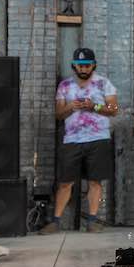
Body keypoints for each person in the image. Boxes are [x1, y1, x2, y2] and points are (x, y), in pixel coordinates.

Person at [43, 47, 118, 233]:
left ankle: (92, 221)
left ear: (93, 65)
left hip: (99, 138)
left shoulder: (104, 84)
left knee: (95, 181)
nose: (83, 69)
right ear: (74, 66)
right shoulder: (65, 86)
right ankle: (56, 222)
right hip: (72, 140)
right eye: (80, 65)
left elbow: (113, 108)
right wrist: (70, 106)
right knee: (65, 182)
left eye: (87, 65)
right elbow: (58, 115)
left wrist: (94, 106)